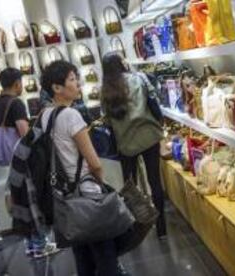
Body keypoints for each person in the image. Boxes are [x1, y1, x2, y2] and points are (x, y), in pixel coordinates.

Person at [40, 60, 121, 276]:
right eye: (73, 80)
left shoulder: (44, 115)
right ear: (57, 88)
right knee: (106, 256)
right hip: (87, 194)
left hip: (66, 197)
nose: (78, 84)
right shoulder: (71, 115)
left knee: (83, 257)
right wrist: (101, 183)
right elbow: (94, 162)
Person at [0, 68, 56, 258]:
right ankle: (40, 244)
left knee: (19, 200)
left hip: (9, 161)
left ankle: (30, 244)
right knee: (31, 200)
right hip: (23, 158)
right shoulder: (16, 103)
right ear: (17, 83)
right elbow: (24, 133)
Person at [101, 54, 167, 238]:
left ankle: (138, 227)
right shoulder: (139, 78)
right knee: (155, 182)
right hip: (149, 136)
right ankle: (162, 228)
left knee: (130, 187)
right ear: (121, 64)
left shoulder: (105, 90)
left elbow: (107, 120)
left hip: (124, 142)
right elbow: (154, 101)